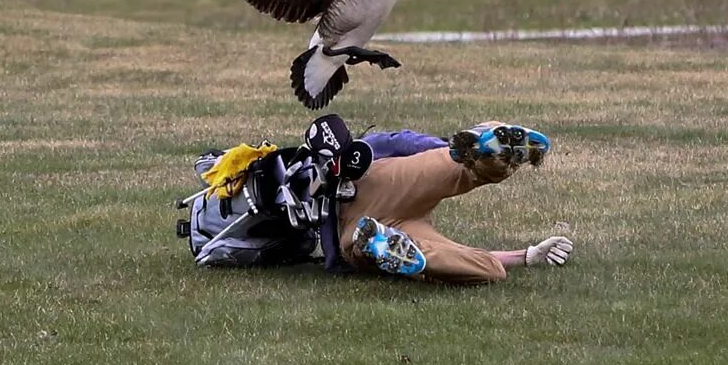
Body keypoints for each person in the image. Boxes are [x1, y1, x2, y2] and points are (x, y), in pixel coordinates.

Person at [178, 115, 574, 285]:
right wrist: (438, 148)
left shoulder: (330, 163)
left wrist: (529, 254)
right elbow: (397, 142)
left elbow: (330, 261)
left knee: (447, 255)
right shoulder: (348, 156)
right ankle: (482, 150)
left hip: (367, 222)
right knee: (485, 263)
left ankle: (482, 152)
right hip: (372, 203)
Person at [335, 122, 573, 284]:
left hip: (375, 205)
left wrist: (528, 256)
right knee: (491, 269)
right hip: (368, 213)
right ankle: (487, 148)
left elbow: (392, 142)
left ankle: (485, 148)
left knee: (492, 268)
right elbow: (398, 141)